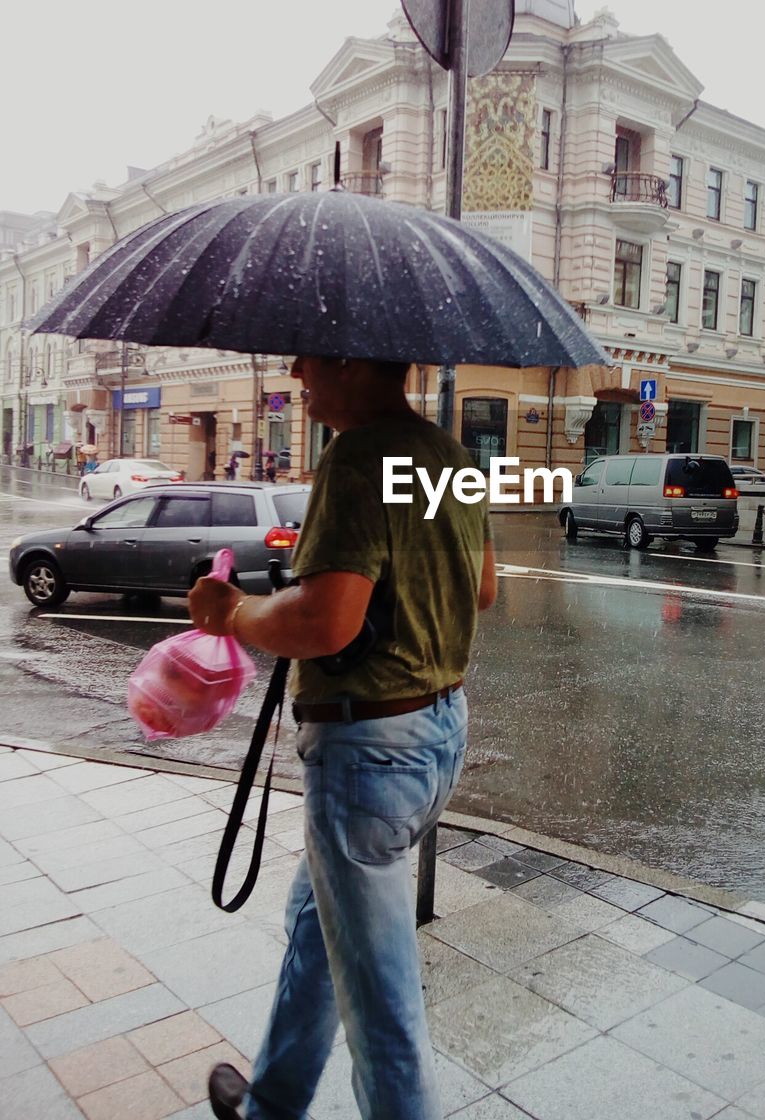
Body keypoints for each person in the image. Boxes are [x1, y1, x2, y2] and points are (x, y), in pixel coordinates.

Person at [188, 355, 497, 1120]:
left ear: (358, 361)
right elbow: (483, 587)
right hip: (437, 735)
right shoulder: (451, 459)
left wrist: (233, 613)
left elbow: (325, 623)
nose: (295, 370)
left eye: (311, 355)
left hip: (368, 756)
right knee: (315, 938)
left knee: (383, 1014)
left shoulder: (356, 458)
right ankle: (272, 1103)